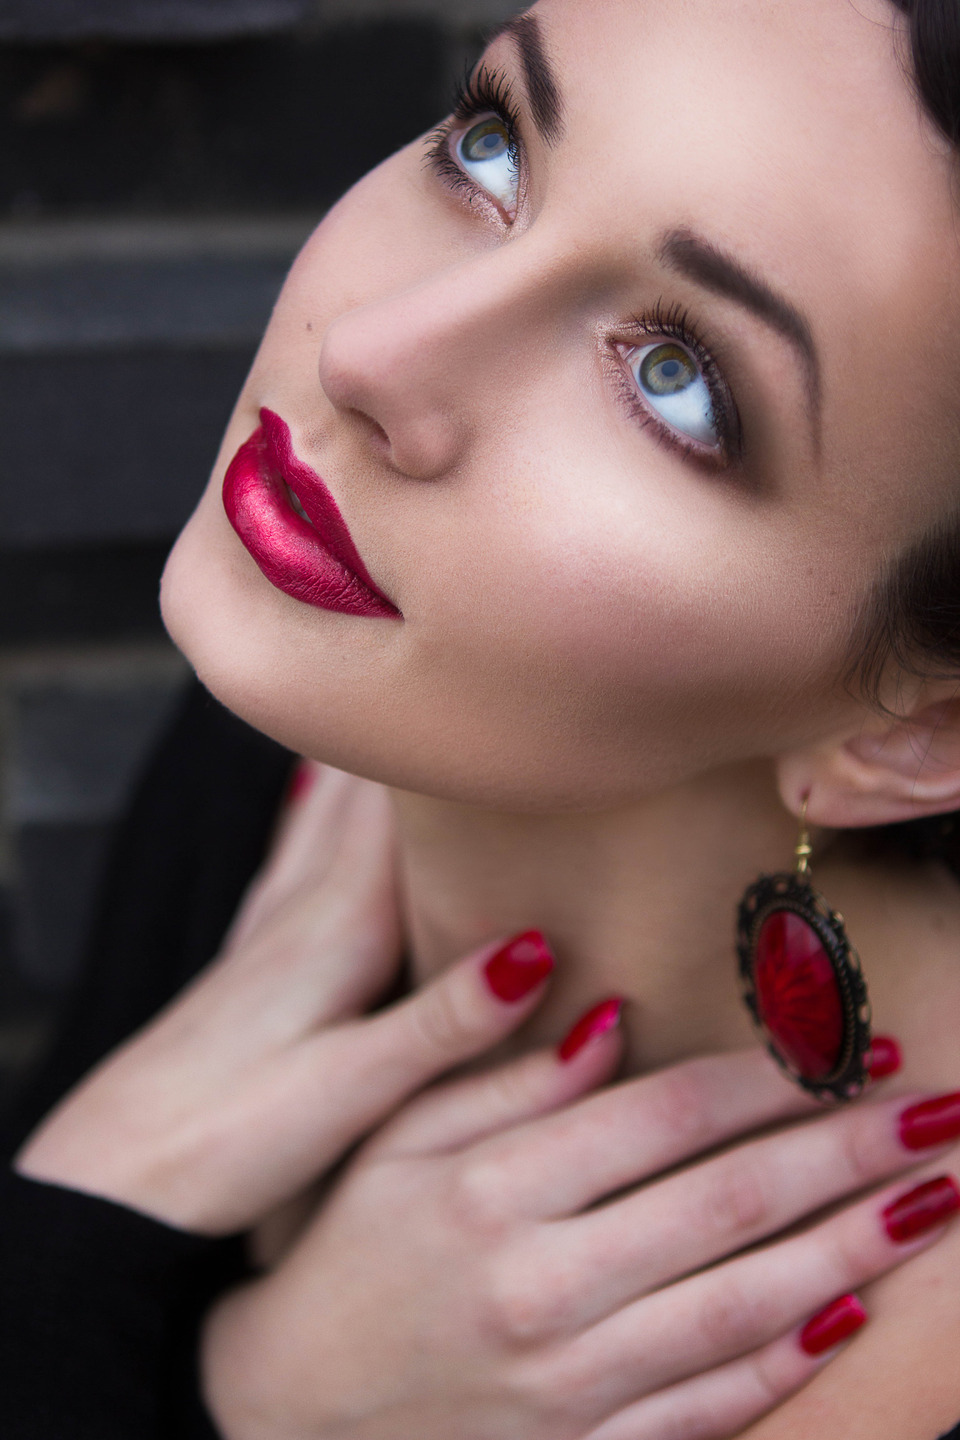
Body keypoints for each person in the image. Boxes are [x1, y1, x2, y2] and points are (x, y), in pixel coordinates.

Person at [5, 0, 960, 1435]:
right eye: (494, 148)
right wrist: (229, 1365)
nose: (375, 355)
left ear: (915, 735)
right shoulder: (308, 756)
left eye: (677, 380)